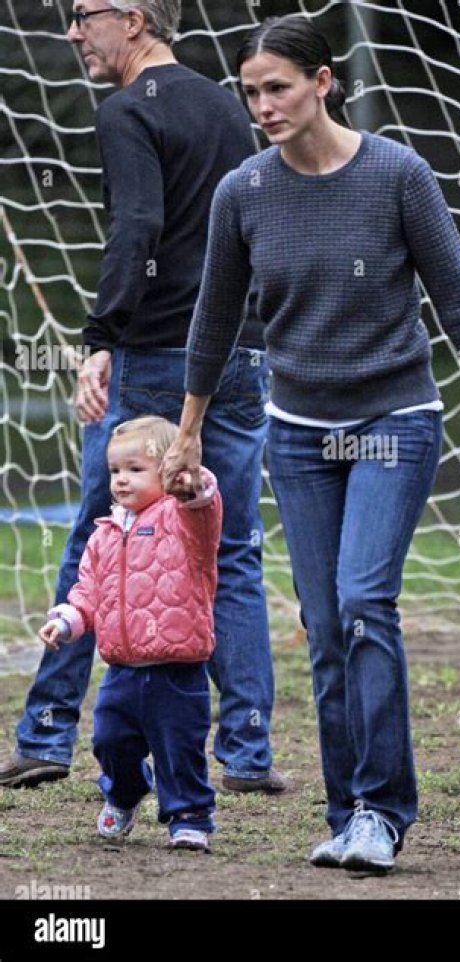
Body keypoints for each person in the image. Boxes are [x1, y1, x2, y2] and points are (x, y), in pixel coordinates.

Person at [160, 14, 460, 874]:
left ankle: (382, 809)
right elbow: (214, 323)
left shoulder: (397, 174)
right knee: (325, 622)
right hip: (296, 431)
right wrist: (187, 433)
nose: (263, 104)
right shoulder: (243, 193)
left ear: (324, 81)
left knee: (366, 602)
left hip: (393, 422)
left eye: (279, 86)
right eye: (251, 90)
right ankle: (347, 810)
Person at [0, 0, 285, 795]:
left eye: (82, 14)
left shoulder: (126, 109)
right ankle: (249, 751)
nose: (70, 31)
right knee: (229, 548)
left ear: (133, 19)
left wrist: (101, 336)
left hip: (156, 353)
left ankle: (49, 736)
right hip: (237, 349)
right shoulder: (230, 106)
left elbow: (138, 225)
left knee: (104, 532)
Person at [40, 417, 220, 851]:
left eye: (135, 469)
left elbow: (204, 502)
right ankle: (125, 792)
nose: (121, 479)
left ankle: (189, 816)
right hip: (121, 670)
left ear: (167, 471)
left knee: (180, 750)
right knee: (109, 740)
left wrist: (191, 480)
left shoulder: (183, 519)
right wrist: (67, 620)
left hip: (178, 672)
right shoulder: (104, 534)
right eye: (116, 470)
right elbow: (88, 591)